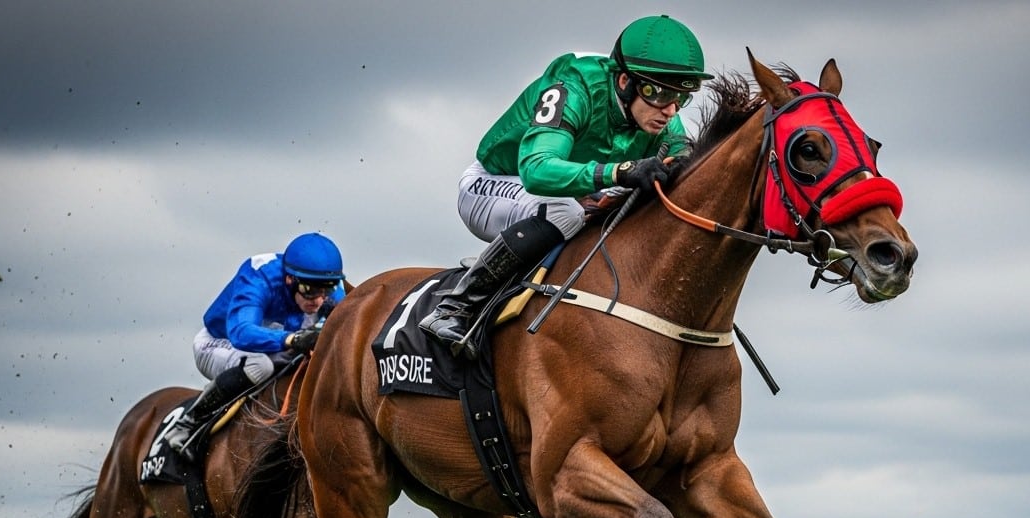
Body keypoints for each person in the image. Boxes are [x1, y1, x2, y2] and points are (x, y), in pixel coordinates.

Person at [418, 15, 711, 354]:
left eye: (681, 96)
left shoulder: (664, 117)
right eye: (657, 92)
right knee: (566, 212)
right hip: (493, 184)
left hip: (570, 194)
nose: (669, 110)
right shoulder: (573, 90)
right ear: (624, 82)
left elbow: (685, 165)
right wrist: (620, 171)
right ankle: (455, 307)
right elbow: (536, 170)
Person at [163, 232, 346, 459]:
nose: (318, 300)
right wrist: (292, 339)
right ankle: (187, 424)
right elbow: (241, 332)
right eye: (309, 290)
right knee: (261, 365)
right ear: (290, 279)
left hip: (275, 351)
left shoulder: (331, 290)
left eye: (326, 290)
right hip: (219, 343)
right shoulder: (260, 277)